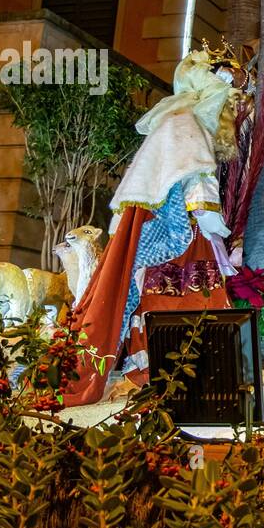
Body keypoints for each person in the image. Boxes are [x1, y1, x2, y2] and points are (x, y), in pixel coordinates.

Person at [62, 47, 246, 406]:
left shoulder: (175, 120)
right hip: (175, 236)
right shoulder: (187, 124)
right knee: (181, 297)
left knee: (171, 296)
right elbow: (196, 180)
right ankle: (169, 373)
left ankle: (178, 372)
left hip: (165, 229)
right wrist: (214, 222)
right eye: (229, 106)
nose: (230, 115)